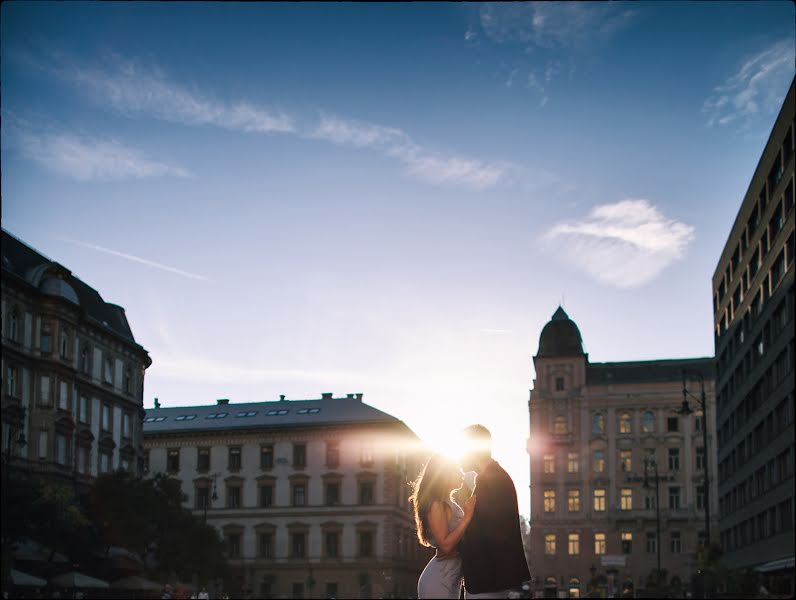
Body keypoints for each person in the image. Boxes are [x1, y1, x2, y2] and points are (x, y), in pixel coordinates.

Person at [458, 424, 530, 598]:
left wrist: (452, 539)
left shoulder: (494, 480)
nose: (458, 457)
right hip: (488, 580)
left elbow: (491, 533)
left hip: (488, 581)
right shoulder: (490, 478)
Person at [410, 453, 477, 599]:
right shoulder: (436, 504)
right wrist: (467, 517)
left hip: (448, 578)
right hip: (439, 580)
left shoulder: (447, 503)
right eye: (458, 470)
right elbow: (445, 546)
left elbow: (454, 544)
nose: (462, 474)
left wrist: (459, 552)